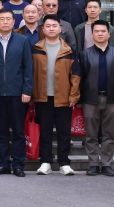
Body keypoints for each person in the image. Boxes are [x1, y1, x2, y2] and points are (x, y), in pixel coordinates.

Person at [0, 8, 33, 177]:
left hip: (17, 93)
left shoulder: (23, 40)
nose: (5, 22)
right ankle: (3, 164)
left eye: (8, 19)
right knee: (1, 131)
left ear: (13, 21)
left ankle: (18, 164)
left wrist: (27, 89)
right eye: (1, 19)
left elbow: (28, 67)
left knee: (18, 131)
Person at [78, 20, 114, 177]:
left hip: (111, 99)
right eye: (97, 31)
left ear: (109, 33)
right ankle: (93, 164)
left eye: (103, 31)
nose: (100, 34)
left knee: (109, 134)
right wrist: (79, 99)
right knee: (91, 134)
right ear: (92, 34)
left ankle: (107, 164)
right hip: (90, 100)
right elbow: (80, 79)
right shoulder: (84, 54)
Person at [31, 15, 80, 176]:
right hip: (42, 96)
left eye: (54, 25)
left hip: (64, 97)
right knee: (45, 131)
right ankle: (45, 162)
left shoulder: (70, 50)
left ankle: (64, 163)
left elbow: (76, 75)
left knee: (64, 132)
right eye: (48, 26)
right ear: (43, 29)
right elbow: (29, 72)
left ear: (60, 28)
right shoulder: (35, 48)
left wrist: (74, 95)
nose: (51, 28)